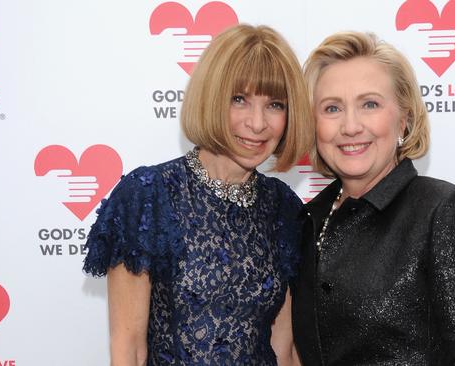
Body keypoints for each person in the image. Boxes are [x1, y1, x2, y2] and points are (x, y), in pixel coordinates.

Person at [83, 24, 312, 365]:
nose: (258, 122)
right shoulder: (149, 196)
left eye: (275, 105)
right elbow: (128, 348)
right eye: (240, 99)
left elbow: (284, 348)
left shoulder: (284, 208)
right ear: (211, 98)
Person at [291, 32, 455, 365]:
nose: (350, 126)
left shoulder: (443, 212)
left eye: (370, 104)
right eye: (332, 108)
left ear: (403, 118)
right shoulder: (304, 220)